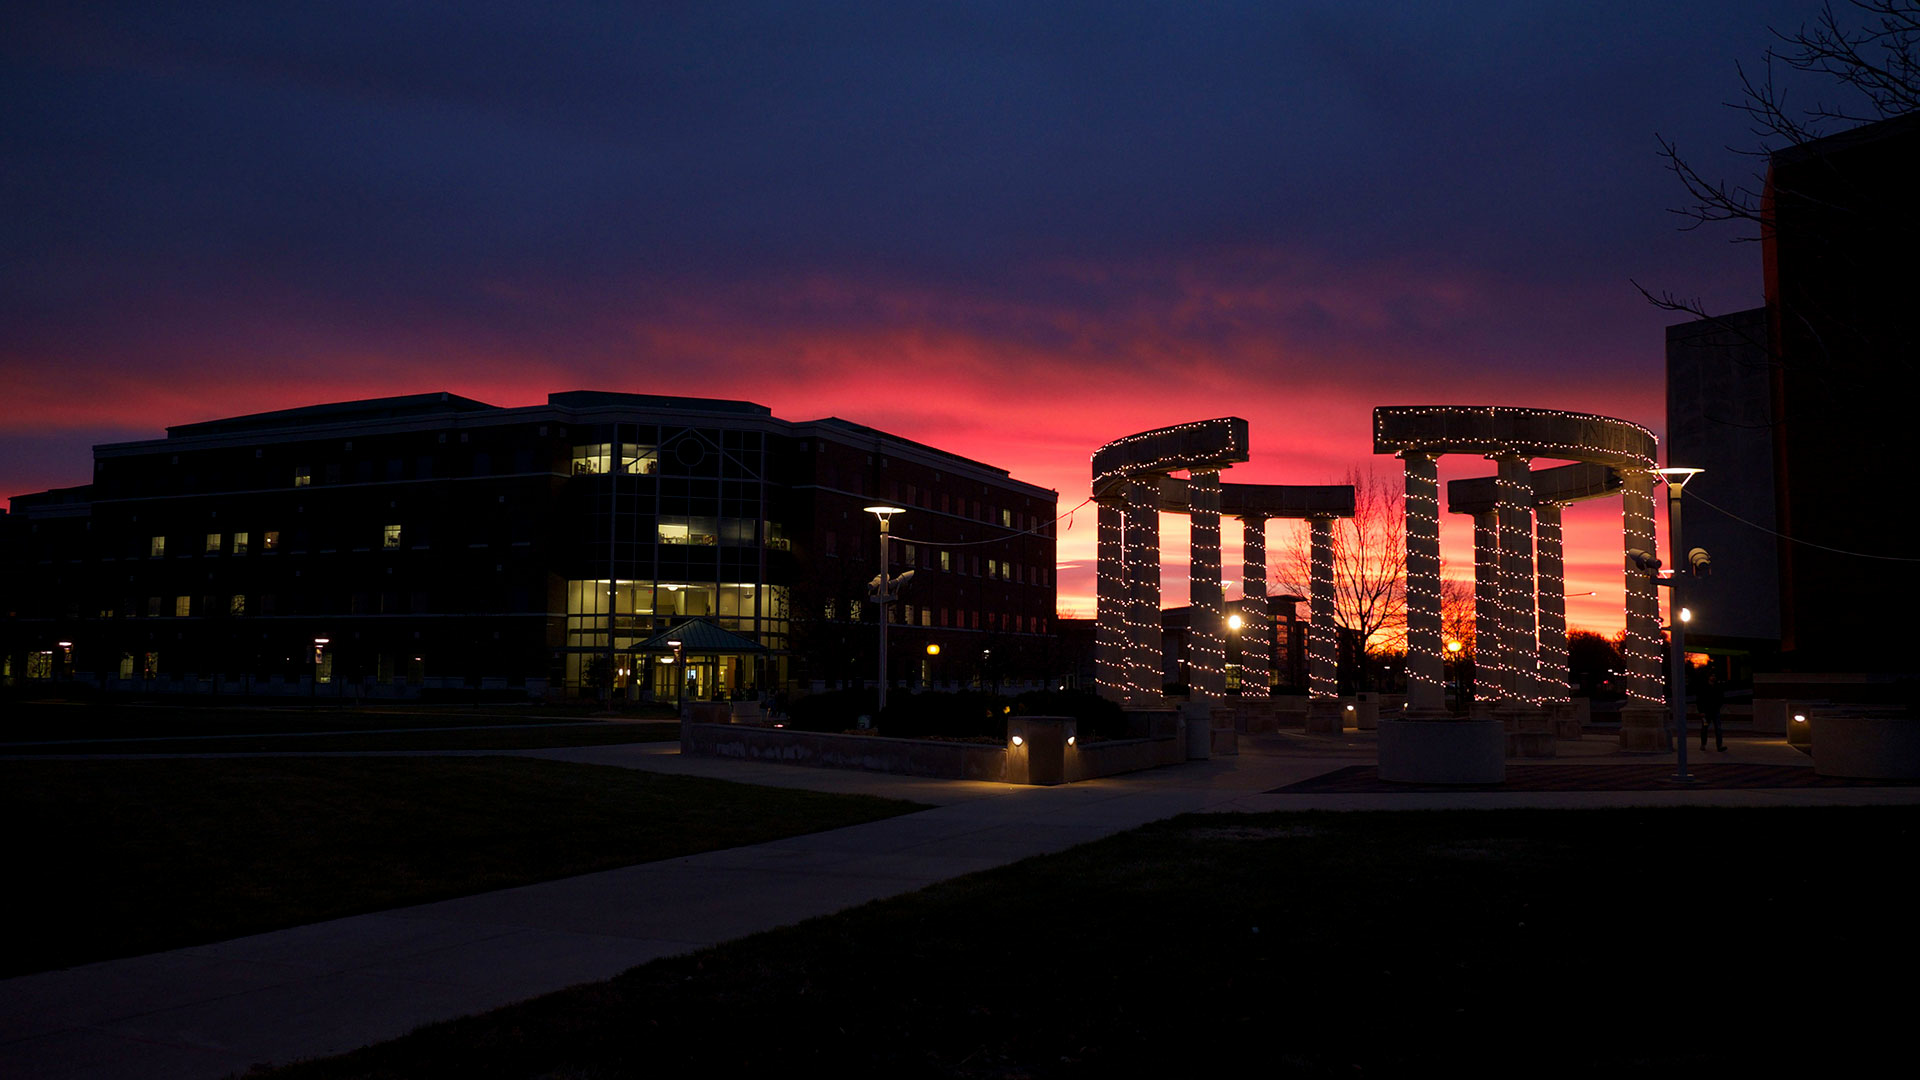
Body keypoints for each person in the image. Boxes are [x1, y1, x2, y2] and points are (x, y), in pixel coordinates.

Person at [1699, 670, 1726, 752]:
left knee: (1718, 728)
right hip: (1706, 713)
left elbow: (1721, 698)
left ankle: (1719, 746)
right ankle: (1703, 744)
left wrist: (1718, 707)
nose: (1713, 677)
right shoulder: (1704, 687)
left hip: (1715, 711)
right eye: (1712, 676)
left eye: (1714, 676)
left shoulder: (1718, 687)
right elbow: (1700, 700)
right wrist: (1701, 711)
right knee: (1705, 728)